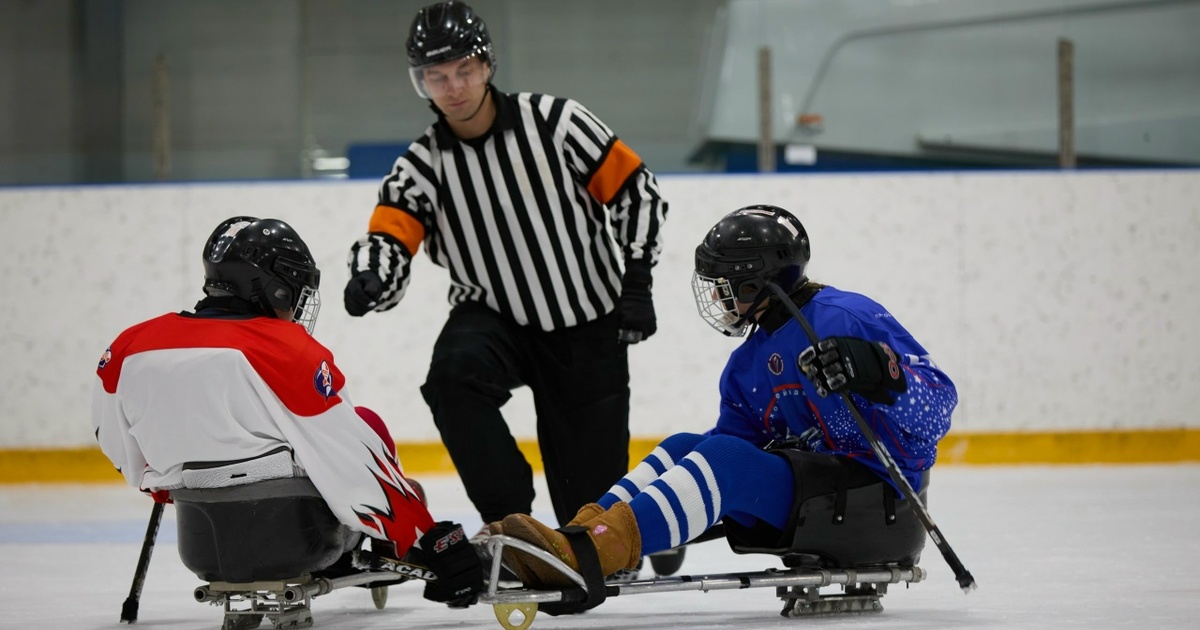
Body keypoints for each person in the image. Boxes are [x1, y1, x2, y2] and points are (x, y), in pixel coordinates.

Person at [497, 204, 958, 590]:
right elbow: (730, 453)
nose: (718, 299)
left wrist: (882, 372)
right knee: (686, 446)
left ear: (756, 284)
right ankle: (581, 534)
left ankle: (594, 552)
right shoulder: (746, 365)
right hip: (819, 500)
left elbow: (940, 406)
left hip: (879, 506)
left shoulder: (846, 317)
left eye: (725, 287)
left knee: (722, 457)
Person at [342, 0, 669, 532]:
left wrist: (637, 278)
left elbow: (637, 192)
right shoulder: (422, 164)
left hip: (587, 319)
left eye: (463, 70)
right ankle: (507, 517)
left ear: (487, 66)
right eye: (436, 76)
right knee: (452, 380)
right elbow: (391, 231)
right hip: (492, 317)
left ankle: (635, 526)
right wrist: (373, 277)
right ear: (420, 83)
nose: (453, 87)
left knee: (588, 521)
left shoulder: (558, 123)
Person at [92, 216, 483, 607]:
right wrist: (425, 537)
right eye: (294, 286)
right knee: (367, 422)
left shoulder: (128, 346)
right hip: (298, 540)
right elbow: (352, 455)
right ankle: (371, 547)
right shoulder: (285, 349)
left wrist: (168, 482)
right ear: (273, 286)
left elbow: (115, 443)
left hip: (200, 545)